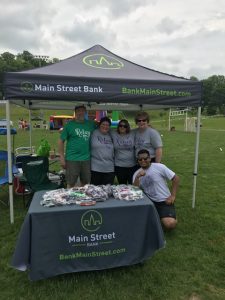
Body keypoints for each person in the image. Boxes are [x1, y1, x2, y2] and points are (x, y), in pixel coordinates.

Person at [133, 149, 179, 230]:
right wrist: (137, 177)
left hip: (164, 201)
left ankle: (166, 215)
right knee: (137, 223)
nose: (143, 161)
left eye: (145, 158)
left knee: (170, 224)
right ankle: (158, 215)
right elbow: (135, 190)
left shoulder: (159, 167)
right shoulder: (137, 173)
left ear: (150, 158)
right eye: (140, 159)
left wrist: (173, 196)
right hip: (149, 202)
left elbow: (175, 178)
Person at [58, 105, 96, 187]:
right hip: (72, 159)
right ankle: (70, 198)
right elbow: (61, 141)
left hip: (86, 159)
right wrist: (61, 157)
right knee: (71, 183)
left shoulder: (91, 124)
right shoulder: (69, 125)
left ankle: (83, 199)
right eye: (78, 111)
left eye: (82, 111)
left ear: (85, 112)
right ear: (75, 113)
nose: (80, 113)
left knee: (85, 183)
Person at [111, 119, 136, 184]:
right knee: (122, 186)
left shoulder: (133, 133)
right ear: (118, 126)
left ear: (128, 127)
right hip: (119, 166)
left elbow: (142, 128)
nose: (122, 127)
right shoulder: (113, 133)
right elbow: (104, 127)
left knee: (132, 185)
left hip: (132, 166)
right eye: (121, 126)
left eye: (125, 126)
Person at [91, 117, 115, 185]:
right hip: (96, 168)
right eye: (103, 124)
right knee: (95, 191)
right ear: (99, 125)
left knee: (108, 191)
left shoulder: (111, 134)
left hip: (109, 169)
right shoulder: (93, 132)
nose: (105, 126)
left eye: (107, 125)